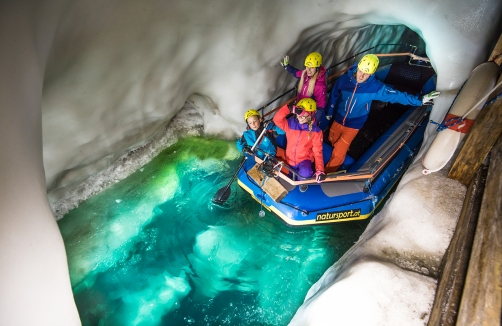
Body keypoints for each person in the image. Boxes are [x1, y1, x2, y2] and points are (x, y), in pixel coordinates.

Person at [324, 54, 440, 173]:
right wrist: (329, 111)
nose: (362, 75)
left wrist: (419, 100)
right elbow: (334, 94)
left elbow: (395, 95)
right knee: (332, 138)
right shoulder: (344, 81)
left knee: (339, 150)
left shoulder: (374, 87)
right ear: (357, 68)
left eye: (366, 73)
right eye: (360, 71)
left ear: (372, 73)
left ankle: (327, 173)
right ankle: (337, 149)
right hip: (339, 118)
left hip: (354, 124)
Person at [273, 98, 326, 183]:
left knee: (305, 173)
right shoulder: (290, 124)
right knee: (289, 174)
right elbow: (277, 119)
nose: (300, 117)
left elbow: (317, 151)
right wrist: (289, 108)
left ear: (311, 114)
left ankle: (301, 183)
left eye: (304, 115)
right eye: (298, 114)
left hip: (304, 160)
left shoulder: (316, 132)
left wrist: (320, 170)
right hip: (289, 159)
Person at [280, 52, 327, 124]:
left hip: (307, 116)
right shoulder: (305, 75)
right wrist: (287, 66)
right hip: (299, 110)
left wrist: (314, 123)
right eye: (307, 66)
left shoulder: (319, 86)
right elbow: (296, 72)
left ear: (318, 68)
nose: (308, 70)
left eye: (312, 67)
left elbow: (320, 106)